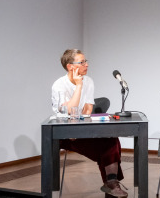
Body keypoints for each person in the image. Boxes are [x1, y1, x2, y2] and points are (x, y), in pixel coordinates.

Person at [51, 49, 128, 197]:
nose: (87, 65)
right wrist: (79, 86)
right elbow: (68, 111)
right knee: (105, 150)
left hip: (81, 130)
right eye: (82, 62)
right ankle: (111, 184)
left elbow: (87, 109)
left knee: (111, 140)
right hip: (64, 133)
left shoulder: (89, 81)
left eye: (86, 61)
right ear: (70, 66)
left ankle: (111, 183)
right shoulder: (59, 85)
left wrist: (81, 126)